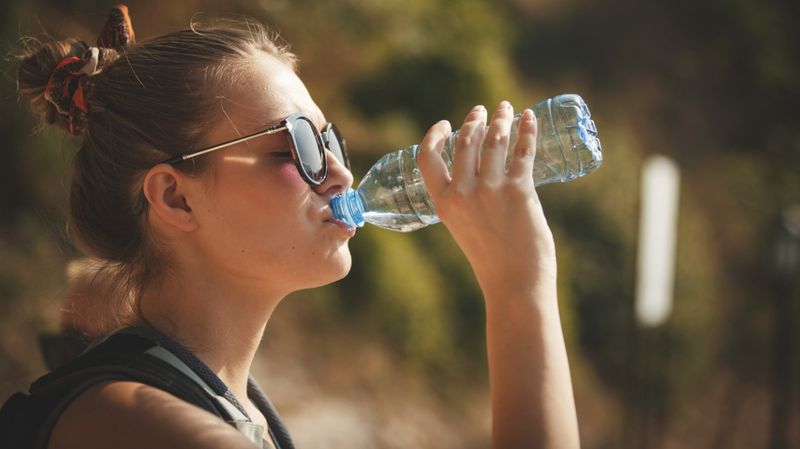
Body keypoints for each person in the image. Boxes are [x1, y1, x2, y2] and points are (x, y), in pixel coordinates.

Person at [11, 5, 580, 449]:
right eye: (300, 145)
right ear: (176, 197)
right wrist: (518, 288)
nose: (339, 170)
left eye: (331, 140)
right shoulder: (136, 422)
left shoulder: (226, 407)